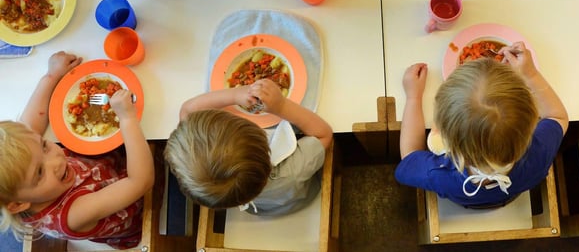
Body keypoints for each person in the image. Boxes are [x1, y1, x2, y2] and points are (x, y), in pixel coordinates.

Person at [0, 52, 153, 249]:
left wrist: (52, 75)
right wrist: (127, 118)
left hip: (109, 162)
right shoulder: (73, 215)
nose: (57, 161)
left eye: (44, 146)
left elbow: (30, 123)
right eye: (39, 172)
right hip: (141, 203)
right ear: (19, 204)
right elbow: (141, 181)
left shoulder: (30, 170)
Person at [395, 43, 568, 208]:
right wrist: (531, 74)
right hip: (510, 193)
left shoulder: (438, 173)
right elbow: (557, 116)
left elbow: (410, 157)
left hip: (463, 198)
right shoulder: (538, 154)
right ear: (531, 124)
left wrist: (413, 97)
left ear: (445, 137)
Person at [164, 79, 332, 215]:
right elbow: (323, 134)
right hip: (296, 199)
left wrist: (236, 94)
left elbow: (188, 110)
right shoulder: (291, 171)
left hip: (257, 207)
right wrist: (281, 106)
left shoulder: (204, 181)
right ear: (261, 140)